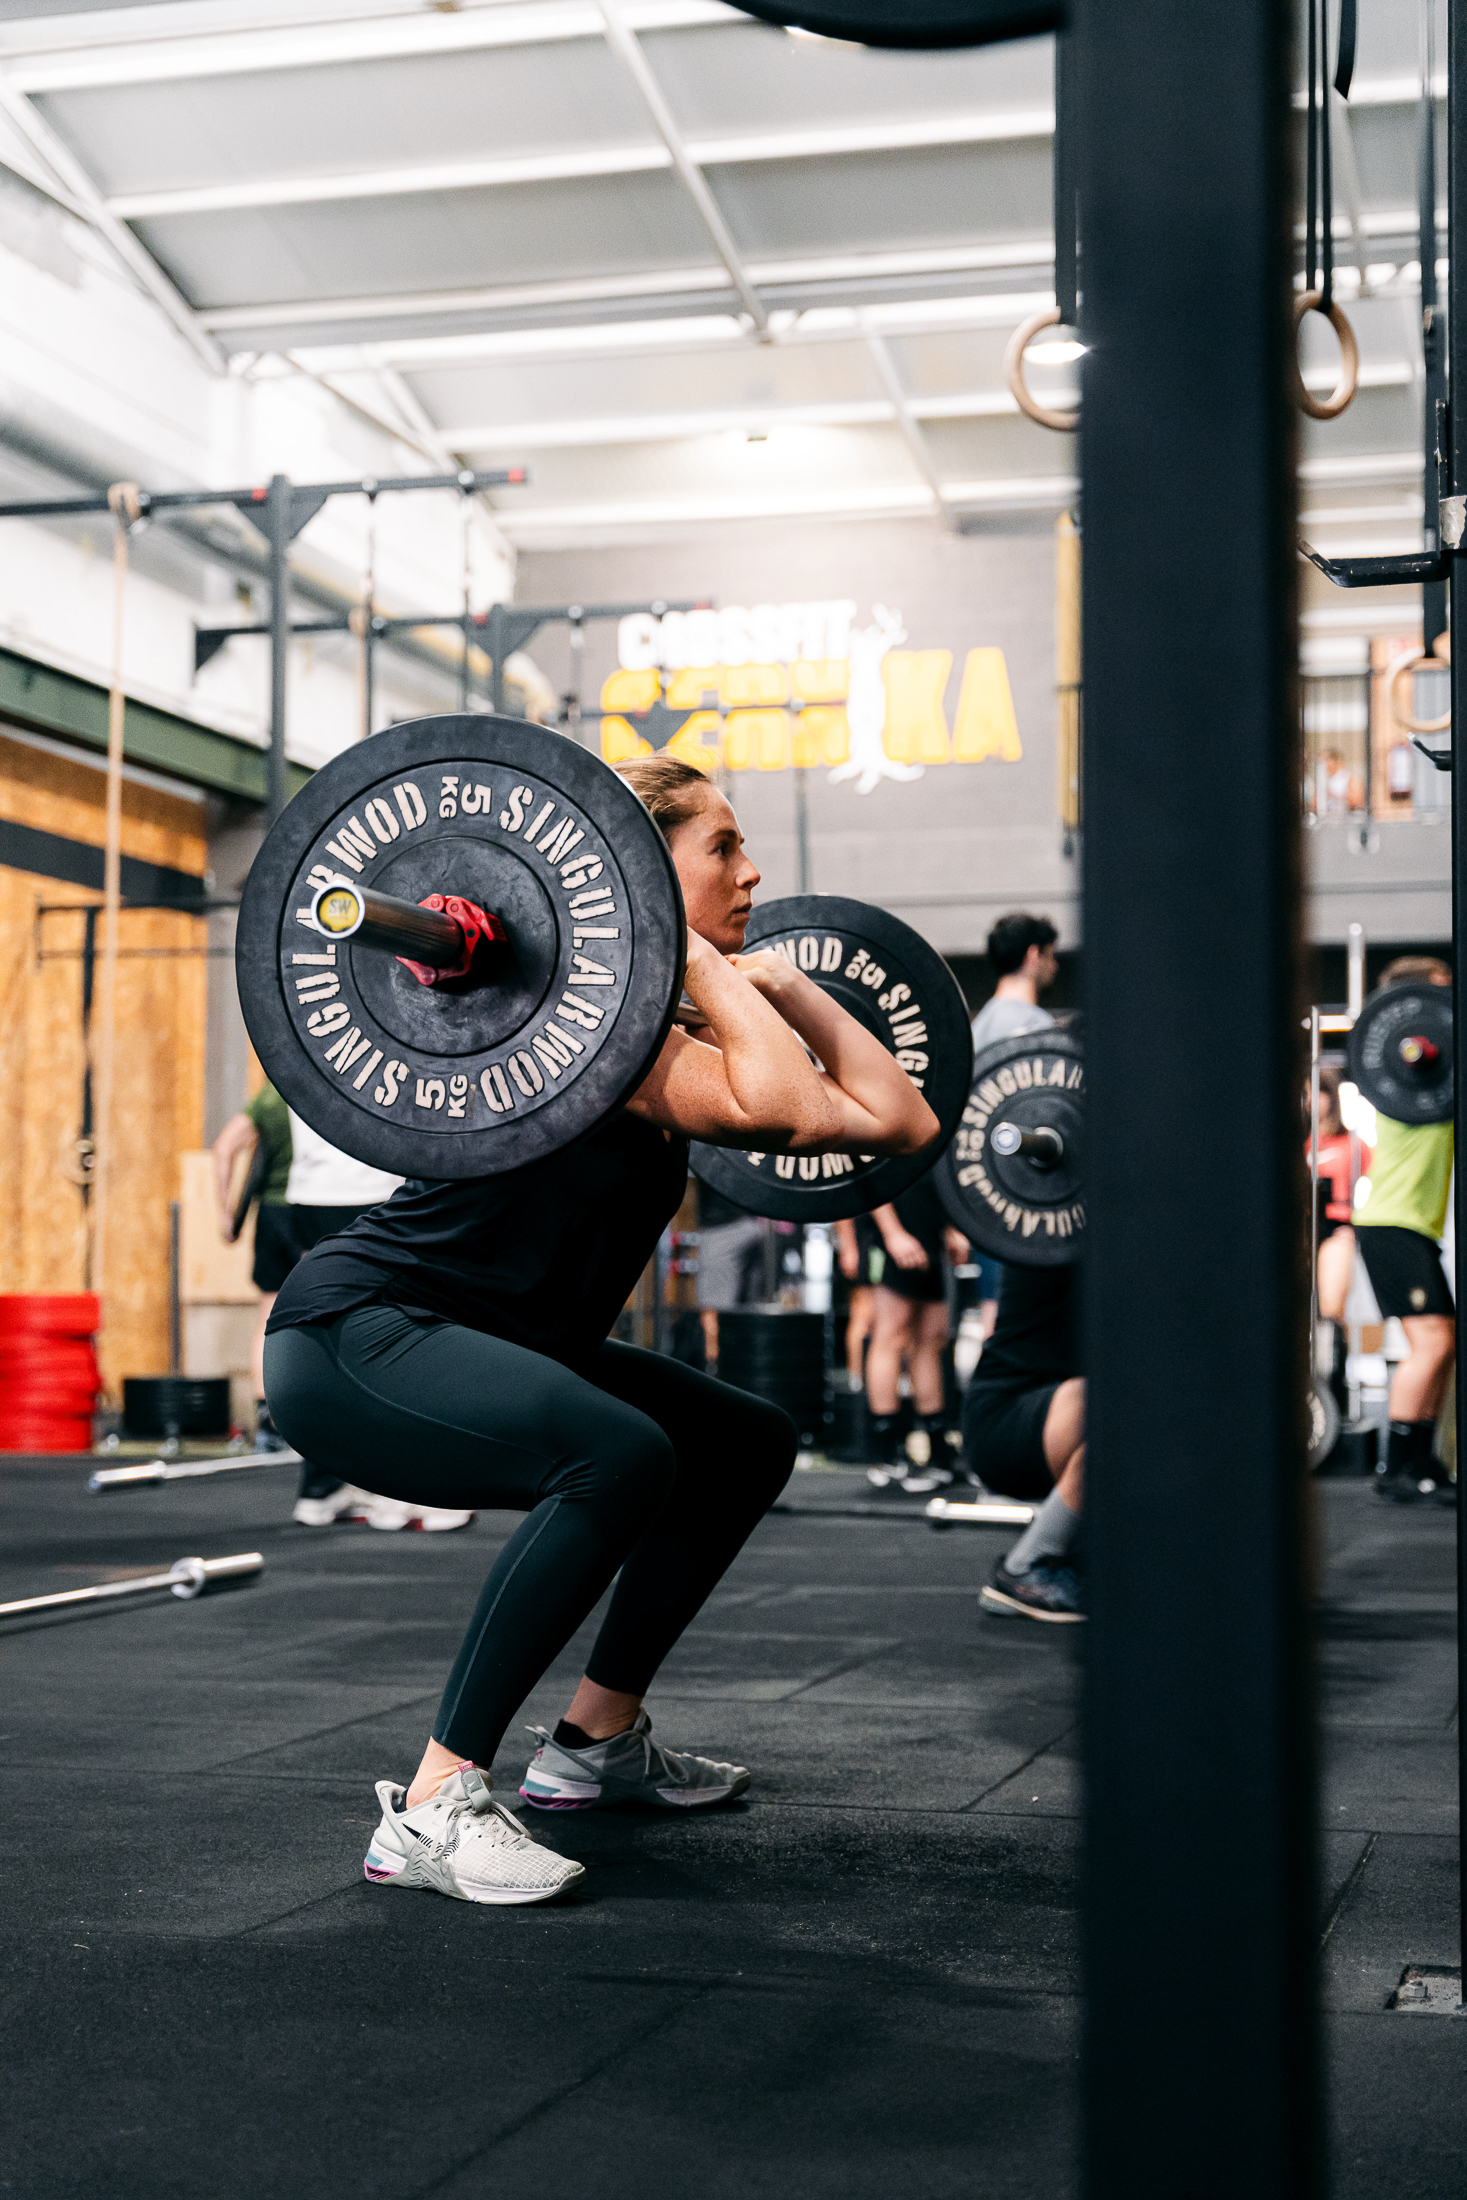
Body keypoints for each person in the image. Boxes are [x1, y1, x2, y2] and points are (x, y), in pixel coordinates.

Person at [263, 752, 940, 1907]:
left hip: (504, 1337)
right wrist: (697, 958)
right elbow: (785, 1106)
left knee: (744, 1441)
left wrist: (786, 984)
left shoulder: (655, 1028)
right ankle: (431, 1805)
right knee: (619, 1453)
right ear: (642, 867)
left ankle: (593, 1742)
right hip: (362, 1333)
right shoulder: (587, 1029)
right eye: (722, 846)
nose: (752, 869)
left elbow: (902, 1119)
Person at [213, 1088, 468, 1531]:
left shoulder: (296, 1066)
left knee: (325, 1339)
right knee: (391, 1339)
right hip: (369, 1194)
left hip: (310, 1198)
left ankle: (323, 1488)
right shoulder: (390, 1055)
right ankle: (395, 1492)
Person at [1351, 955, 1456, 1504]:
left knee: (1444, 1341)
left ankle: (1422, 1462)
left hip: (1410, 1227)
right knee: (1432, 1342)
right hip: (1390, 1223)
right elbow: (1421, 1050)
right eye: (1442, 994)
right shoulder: (1409, 1075)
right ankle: (1396, 1468)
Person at [962, 1262, 1084, 1622]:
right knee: (1138, 1403)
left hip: (1058, 1413)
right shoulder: (1062, 1242)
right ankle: (1027, 1566)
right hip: (1008, 1418)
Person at [854, 1184, 970, 1492]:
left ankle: (939, 1450)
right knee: (890, 1336)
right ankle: (888, 1454)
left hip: (931, 1234)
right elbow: (870, 1178)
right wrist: (892, 1233)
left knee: (931, 1340)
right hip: (891, 1236)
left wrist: (951, 1228)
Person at [694, 1181, 768, 1372]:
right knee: (747, 1306)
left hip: (722, 1227)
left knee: (713, 1307)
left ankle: (714, 1371)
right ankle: (742, 1368)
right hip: (754, 1226)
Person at [969, 910, 1059, 1057]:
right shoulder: (1039, 1027)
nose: (1055, 967)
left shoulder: (977, 1028)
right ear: (1034, 954)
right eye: (1051, 956)